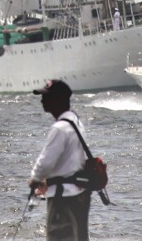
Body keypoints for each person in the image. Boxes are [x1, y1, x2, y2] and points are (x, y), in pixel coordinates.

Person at [28, 80, 92, 241]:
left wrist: (35, 179)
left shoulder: (59, 128)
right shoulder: (76, 122)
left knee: (59, 236)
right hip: (79, 192)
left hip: (62, 196)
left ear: (56, 100)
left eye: (46, 97)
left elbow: (46, 162)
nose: (42, 100)